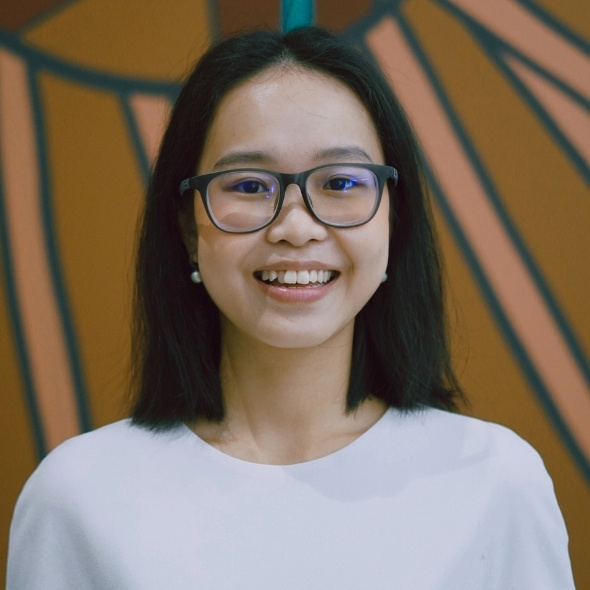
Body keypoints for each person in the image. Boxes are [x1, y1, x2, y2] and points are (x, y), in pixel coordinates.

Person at [7, 27, 575, 589]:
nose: (296, 227)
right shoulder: (78, 497)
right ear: (187, 228)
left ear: (393, 221)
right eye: (250, 186)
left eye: (341, 181)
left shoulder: (496, 482)